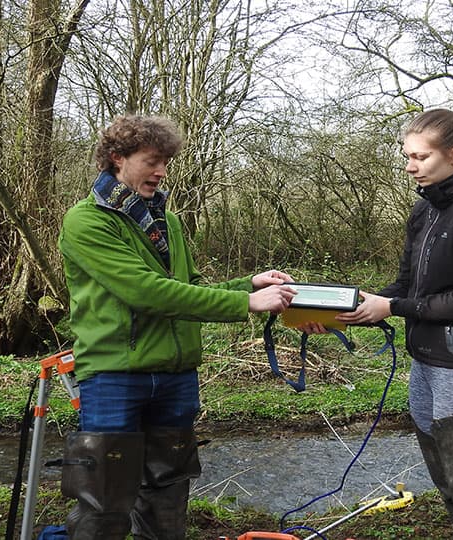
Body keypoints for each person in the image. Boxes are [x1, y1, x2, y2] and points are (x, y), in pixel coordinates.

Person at [54, 115, 296, 540]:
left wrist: (248, 284)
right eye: (152, 161)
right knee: (104, 502)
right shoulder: (86, 222)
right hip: (114, 377)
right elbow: (148, 292)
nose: (161, 172)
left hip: (175, 377)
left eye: (165, 162)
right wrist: (246, 302)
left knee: (168, 500)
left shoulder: (167, 221)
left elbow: (187, 288)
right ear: (117, 159)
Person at [306, 108, 453, 538]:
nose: (409, 166)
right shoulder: (424, 212)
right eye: (407, 156)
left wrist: (393, 308)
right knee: (451, 485)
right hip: (426, 366)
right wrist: (345, 311)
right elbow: (405, 286)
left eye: (419, 157)